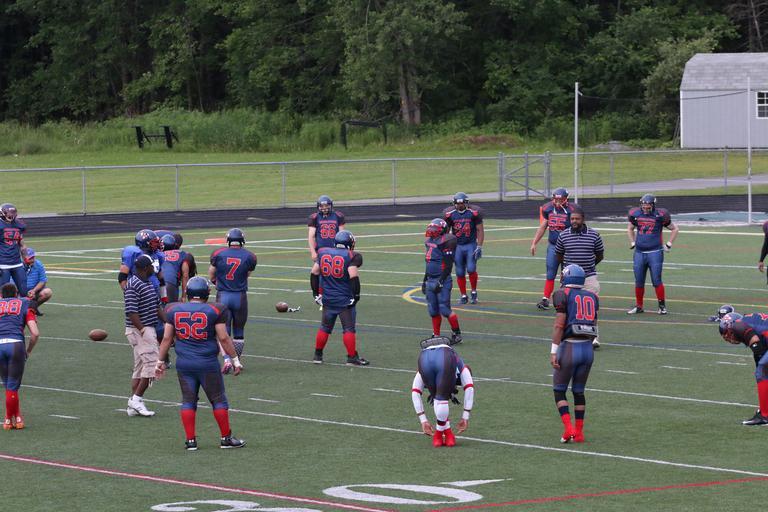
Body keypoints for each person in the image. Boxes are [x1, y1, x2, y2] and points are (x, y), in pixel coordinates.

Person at [156, 276, 246, 450]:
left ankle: (190, 441)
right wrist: (235, 359)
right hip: (207, 363)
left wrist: (160, 361)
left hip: (184, 363)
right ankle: (225, 438)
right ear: (207, 292)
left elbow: (167, 338)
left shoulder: (172, 309)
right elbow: (223, 337)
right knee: (218, 400)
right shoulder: (216, 309)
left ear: (187, 292)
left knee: (188, 401)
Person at [549, 264, 599, 443]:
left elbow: (559, 325)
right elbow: (594, 324)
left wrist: (553, 351)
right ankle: (579, 433)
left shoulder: (562, 294)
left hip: (569, 347)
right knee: (578, 391)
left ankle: (568, 429)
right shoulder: (592, 296)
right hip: (587, 349)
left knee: (559, 390)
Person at [309, 230, 369, 365]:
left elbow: (314, 272)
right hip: (344, 299)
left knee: (324, 327)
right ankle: (351, 357)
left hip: (328, 298)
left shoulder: (323, 252)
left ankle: (317, 356)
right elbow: (353, 276)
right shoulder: (352, 256)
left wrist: (315, 293)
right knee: (348, 328)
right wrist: (356, 296)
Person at [411, 335, 474, 447]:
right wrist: (465, 417)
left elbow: (415, 391)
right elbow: (469, 389)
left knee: (438, 398)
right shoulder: (462, 367)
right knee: (441, 399)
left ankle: (446, 432)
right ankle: (440, 434)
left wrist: (423, 420)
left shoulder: (457, 363)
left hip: (423, 357)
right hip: (444, 356)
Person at [554, 206, 604, 348]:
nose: (574, 221)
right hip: (569, 278)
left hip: (589, 276)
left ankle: (593, 337)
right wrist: (565, 271)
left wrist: (587, 267)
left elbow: (600, 255)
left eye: (577, 219)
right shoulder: (563, 235)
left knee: (591, 307)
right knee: (567, 308)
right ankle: (566, 336)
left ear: (583, 219)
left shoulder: (594, 235)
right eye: (572, 219)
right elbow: (559, 254)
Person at [123, 254, 166, 418]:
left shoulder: (147, 282)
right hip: (140, 329)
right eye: (151, 266)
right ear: (145, 268)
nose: (154, 268)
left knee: (140, 368)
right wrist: (142, 330)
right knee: (152, 365)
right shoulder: (133, 284)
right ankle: (136, 400)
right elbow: (131, 311)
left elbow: (156, 306)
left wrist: (169, 323)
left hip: (147, 328)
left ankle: (133, 404)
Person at [626, 194, 679, 315]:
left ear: (653, 205)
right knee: (639, 281)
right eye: (644, 206)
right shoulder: (635, 214)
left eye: (648, 206)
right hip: (639, 252)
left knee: (656, 280)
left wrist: (669, 244)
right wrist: (632, 242)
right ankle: (639, 306)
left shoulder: (660, 215)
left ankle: (662, 307)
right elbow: (630, 228)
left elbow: (675, 229)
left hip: (655, 252)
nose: (645, 208)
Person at [208, 228, 257, 358]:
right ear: (242, 240)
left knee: (224, 331)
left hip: (223, 296)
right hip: (239, 296)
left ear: (228, 240)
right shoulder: (250, 256)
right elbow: (247, 274)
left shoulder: (218, 253)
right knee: (239, 331)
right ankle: (237, 360)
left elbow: (211, 273)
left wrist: (216, 282)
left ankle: (227, 360)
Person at [0, 283, 39, 430]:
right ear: (16, 293)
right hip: (16, 345)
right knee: (13, 386)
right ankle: (9, 420)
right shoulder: (25, 304)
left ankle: (15, 418)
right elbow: (35, 333)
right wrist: (28, 351)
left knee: (8, 385)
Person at [718, 311, 768, 425]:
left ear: (730, 325)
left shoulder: (738, 325)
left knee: (762, 370)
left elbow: (757, 347)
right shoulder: (748, 321)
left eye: (727, 334)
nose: (729, 339)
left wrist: (759, 372)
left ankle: (764, 416)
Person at [530, 188, 574, 310]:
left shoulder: (573, 210)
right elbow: (543, 226)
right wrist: (534, 243)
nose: (558, 202)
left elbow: (578, 226)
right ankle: (545, 299)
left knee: (567, 274)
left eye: (561, 199)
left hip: (568, 247)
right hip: (553, 246)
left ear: (566, 199)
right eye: (556, 199)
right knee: (550, 273)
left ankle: (565, 299)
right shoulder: (548, 208)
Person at [422, 219, 462, 344]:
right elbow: (428, 263)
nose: (431, 231)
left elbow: (448, 266)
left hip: (442, 279)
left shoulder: (446, 241)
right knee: (433, 310)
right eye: (431, 228)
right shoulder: (429, 241)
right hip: (430, 279)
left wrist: (440, 281)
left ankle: (456, 334)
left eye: (435, 228)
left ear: (442, 230)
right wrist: (424, 280)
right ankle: (436, 334)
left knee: (445, 309)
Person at [443, 192, 484, 304]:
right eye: (458, 203)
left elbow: (480, 230)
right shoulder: (450, 215)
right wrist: (446, 246)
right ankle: (463, 295)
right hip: (457, 246)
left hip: (470, 244)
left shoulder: (474, 213)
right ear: (454, 203)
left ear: (466, 203)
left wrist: (479, 246)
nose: (460, 205)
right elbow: (446, 233)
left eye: (462, 203)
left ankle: (474, 292)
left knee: (471, 269)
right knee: (460, 272)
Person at [0, 203, 29, 298]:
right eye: (9, 213)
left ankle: (24, 308)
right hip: (3, 264)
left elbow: (22, 244)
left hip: (17, 263)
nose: (11, 216)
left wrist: (26, 259)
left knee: (24, 291)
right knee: (3, 293)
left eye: (13, 213)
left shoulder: (18, 225)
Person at [308, 195, 346, 263]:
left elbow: (342, 235)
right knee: (319, 269)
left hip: (335, 249)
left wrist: (342, 250)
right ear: (318, 206)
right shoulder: (314, 217)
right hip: (321, 250)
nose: (324, 208)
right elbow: (311, 236)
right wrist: (313, 252)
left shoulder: (338, 216)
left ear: (330, 205)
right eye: (322, 206)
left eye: (326, 205)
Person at [160, 234, 195, 303]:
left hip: (155, 284)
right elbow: (185, 276)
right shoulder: (182, 254)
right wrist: (184, 296)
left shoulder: (156, 254)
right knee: (170, 307)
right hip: (170, 283)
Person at [22, 248, 52, 316]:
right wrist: (23, 292)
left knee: (47, 292)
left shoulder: (38, 264)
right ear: (24, 258)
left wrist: (34, 291)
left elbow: (43, 281)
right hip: (21, 291)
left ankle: (33, 308)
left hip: (34, 291)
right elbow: (12, 283)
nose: (32, 260)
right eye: (30, 258)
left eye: (33, 257)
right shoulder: (18, 266)